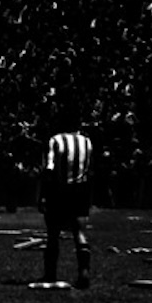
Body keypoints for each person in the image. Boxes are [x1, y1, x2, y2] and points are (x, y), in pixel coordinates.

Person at [38, 110, 94, 289]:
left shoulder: (55, 140)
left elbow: (49, 169)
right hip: (81, 189)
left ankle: (50, 273)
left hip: (59, 189)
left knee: (53, 233)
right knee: (80, 232)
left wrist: (43, 195)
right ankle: (83, 271)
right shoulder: (87, 141)